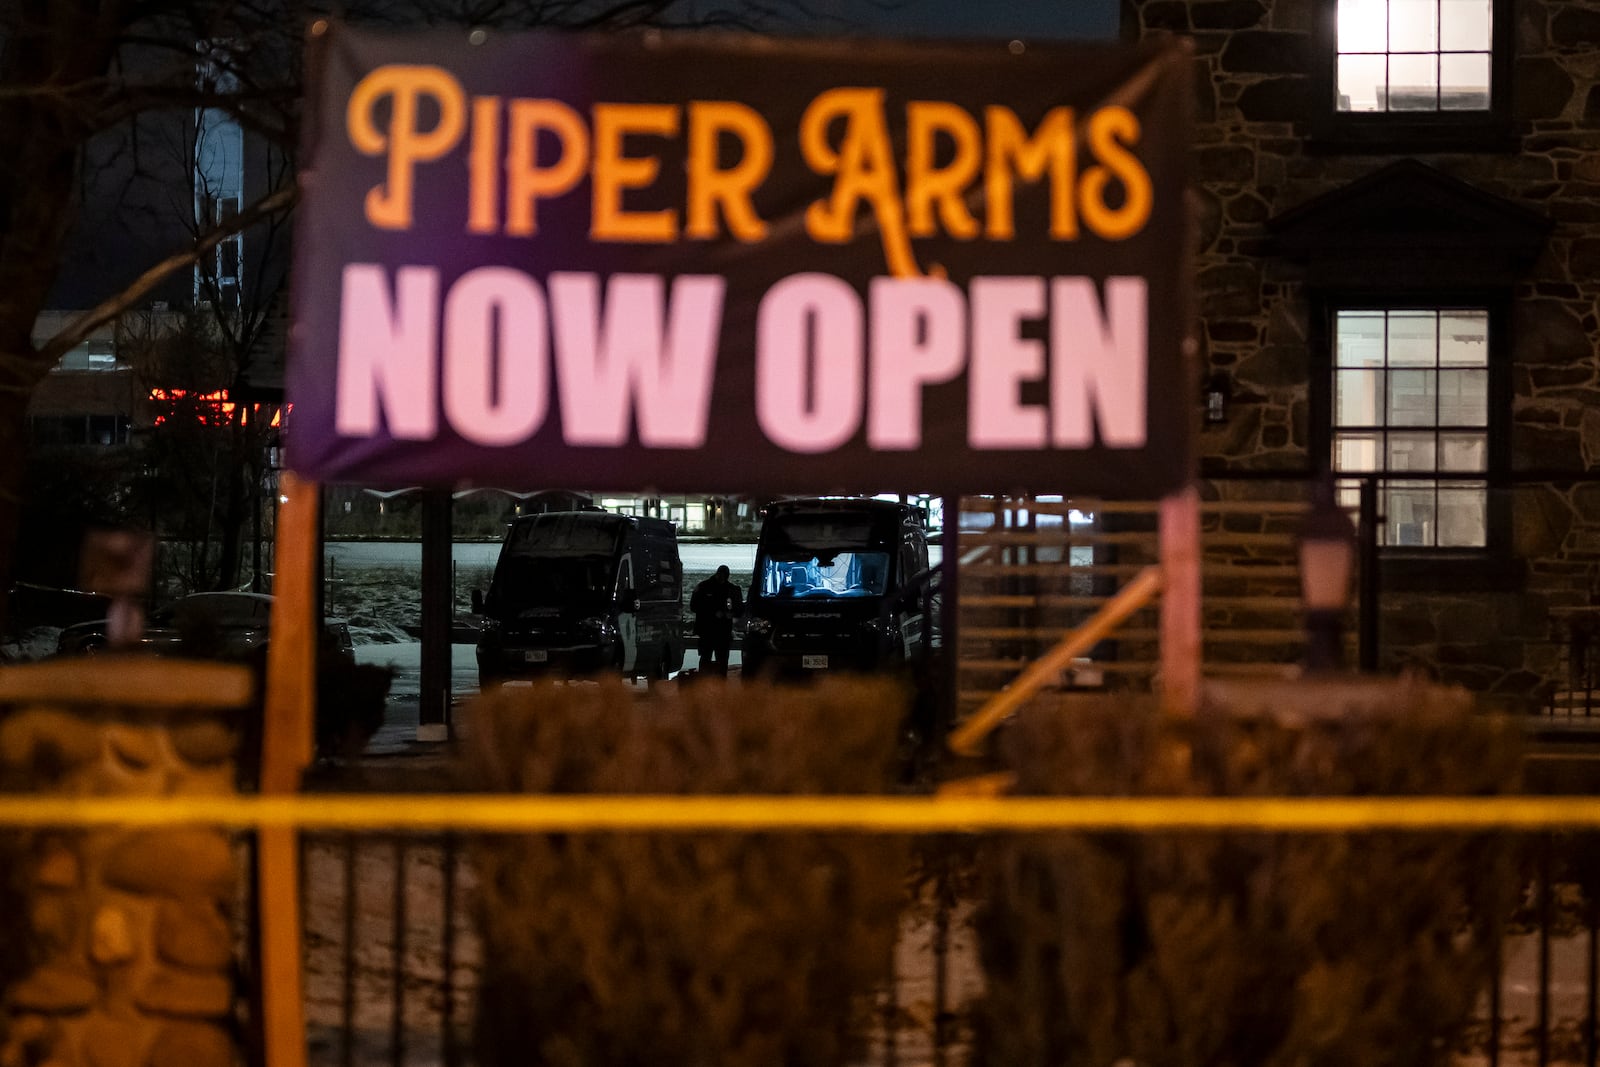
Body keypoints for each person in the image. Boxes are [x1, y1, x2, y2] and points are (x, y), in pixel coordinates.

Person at [690, 565, 743, 676]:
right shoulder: (704, 587)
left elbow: (739, 610)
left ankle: (718, 684)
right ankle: (705, 682)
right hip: (708, 630)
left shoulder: (731, 590)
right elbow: (694, 606)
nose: (722, 578)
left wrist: (729, 613)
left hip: (722, 631)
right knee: (707, 658)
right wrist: (713, 613)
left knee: (721, 660)